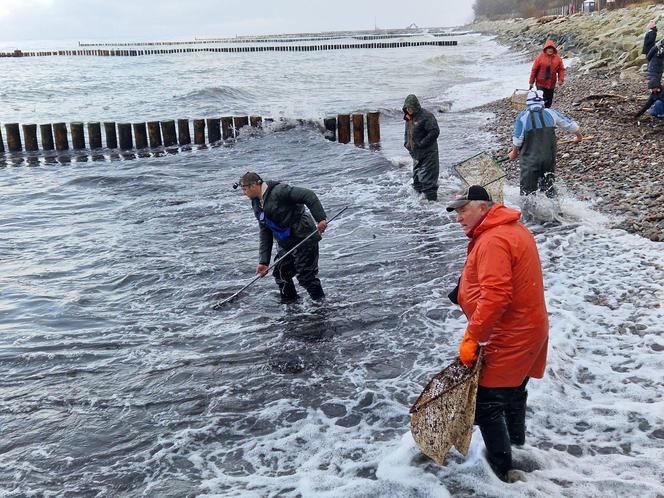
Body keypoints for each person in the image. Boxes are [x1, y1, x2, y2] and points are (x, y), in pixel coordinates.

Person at [446, 185, 549, 482]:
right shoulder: (512, 228)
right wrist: (462, 289)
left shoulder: (492, 240)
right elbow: (505, 279)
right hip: (531, 328)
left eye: (464, 209)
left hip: (510, 334)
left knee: (485, 403)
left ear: (483, 207)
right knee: (515, 391)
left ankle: (503, 471)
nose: (458, 217)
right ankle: (518, 445)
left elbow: (496, 296)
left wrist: (472, 337)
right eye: (456, 211)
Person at [237, 171, 328, 301]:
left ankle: (321, 305)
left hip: (303, 236)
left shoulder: (279, 191)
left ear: (253, 186)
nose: (244, 193)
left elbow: (308, 195)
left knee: (306, 277)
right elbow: (265, 230)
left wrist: (320, 219)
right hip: (284, 241)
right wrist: (263, 261)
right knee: (281, 273)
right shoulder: (256, 203)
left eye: (244, 189)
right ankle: (290, 307)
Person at [508, 89, 582, 198]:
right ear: (542, 102)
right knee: (548, 187)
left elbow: (518, 140)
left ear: (528, 102)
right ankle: (554, 211)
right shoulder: (551, 113)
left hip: (530, 161)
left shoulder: (522, 117)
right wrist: (579, 137)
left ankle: (529, 214)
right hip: (548, 159)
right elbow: (571, 126)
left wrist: (514, 153)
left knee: (527, 192)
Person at [403, 94, 440, 201]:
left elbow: (434, 132)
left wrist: (421, 144)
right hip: (415, 153)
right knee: (417, 180)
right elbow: (407, 132)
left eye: (411, 108)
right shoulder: (408, 117)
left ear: (416, 107)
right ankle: (419, 205)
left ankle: (433, 206)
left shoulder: (427, 116)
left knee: (428, 180)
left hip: (429, 152)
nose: (409, 110)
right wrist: (406, 143)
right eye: (407, 108)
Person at [528, 40, 565, 109]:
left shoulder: (558, 59)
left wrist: (561, 79)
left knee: (549, 100)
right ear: (545, 49)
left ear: (554, 49)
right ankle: (541, 112)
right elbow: (534, 70)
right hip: (540, 83)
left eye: (551, 48)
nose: (550, 50)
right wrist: (531, 82)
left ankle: (546, 112)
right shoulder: (540, 58)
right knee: (541, 99)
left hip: (551, 83)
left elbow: (561, 69)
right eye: (548, 48)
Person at [635, 39, 664, 119]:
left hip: (658, 70)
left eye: (654, 89)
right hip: (654, 69)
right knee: (652, 112)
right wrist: (638, 114)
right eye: (652, 89)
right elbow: (647, 105)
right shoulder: (655, 50)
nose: (653, 91)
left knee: (658, 103)